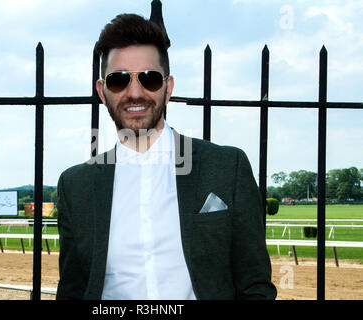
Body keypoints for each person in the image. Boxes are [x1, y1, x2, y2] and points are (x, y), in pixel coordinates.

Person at [56, 13, 277, 300]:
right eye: (118, 80)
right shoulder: (76, 186)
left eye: (149, 78)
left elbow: (255, 286)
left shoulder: (226, 167)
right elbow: (72, 289)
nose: (135, 92)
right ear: (102, 91)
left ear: (168, 87)